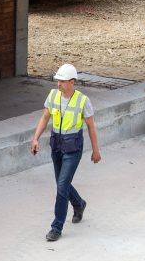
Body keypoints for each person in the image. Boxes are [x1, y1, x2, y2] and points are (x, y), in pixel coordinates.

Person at [30, 63, 101, 241]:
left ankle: (56, 227)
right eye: (58, 81)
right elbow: (45, 117)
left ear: (71, 82)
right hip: (57, 147)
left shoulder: (83, 101)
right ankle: (79, 204)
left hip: (73, 149)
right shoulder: (53, 95)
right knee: (63, 184)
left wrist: (95, 150)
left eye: (62, 81)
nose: (58, 84)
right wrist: (35, 138)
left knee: (61, 186)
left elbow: (91, 127)